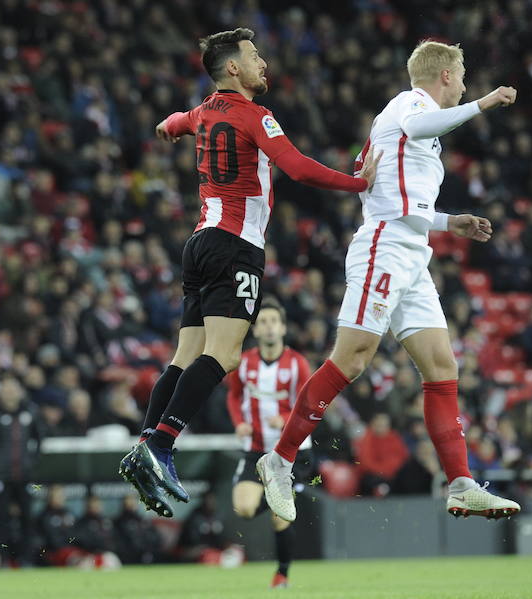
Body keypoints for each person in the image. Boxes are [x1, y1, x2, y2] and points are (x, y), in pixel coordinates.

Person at [119, 27, 380, 518]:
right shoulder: (255, 115)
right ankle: (163, 444)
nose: (264, 63)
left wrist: (166, 125)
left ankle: (144, 446)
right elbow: (298, 168)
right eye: (255, 55)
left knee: (184, 355)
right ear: (233, 67)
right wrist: (357, 182)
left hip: (198, 243)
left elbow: (176, 121)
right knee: (225, 355)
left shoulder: (202, 111)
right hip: (236, 247)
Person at [257, 40, 521, 522]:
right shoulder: (410, 103)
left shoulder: (406, 125)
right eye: (461, 74)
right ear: (444, 75)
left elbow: (396, 196)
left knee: (442, 366)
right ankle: (280, 458)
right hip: (385, 246)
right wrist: (482, 103)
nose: (464, 82)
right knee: (353, 358)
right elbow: (417, 134)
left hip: (411, 248)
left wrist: (448, 222)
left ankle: (460, 482)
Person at [226, 299, 310, 589]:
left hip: (290, 452)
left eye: (274, 321)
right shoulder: (245, 361)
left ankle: (282, 574)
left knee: (279, 518)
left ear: (283, 327)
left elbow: (308, 404)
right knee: (245, 509)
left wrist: (286, 417)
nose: (269, 326)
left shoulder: (297, 363)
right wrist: (239, 422)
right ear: (255, 329)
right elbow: (233, 396)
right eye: (263, 321)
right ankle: (278, 497)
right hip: (255, 448)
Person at [0, 374, 42, 564]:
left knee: (27, 519)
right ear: (0, 393)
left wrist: (32, 461)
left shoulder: (30, 413)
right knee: (1, 520)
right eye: (6, 390)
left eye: (13, 389)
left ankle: (27, 559)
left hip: (26, 476)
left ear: (20, 392)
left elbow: (39, 440)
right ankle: (3, 558)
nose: (10, 393)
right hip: (2, 477)